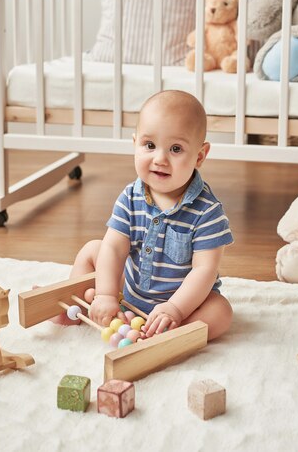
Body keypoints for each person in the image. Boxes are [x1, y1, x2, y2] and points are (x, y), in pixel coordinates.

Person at [66, 90, 233, 340]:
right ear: (135, 144)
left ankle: (168, 333)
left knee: (221, 312)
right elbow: (114, 248)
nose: (160, 159)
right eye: (150, 145)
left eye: (175, 149)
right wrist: (106, 294)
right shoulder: (130, 197)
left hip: (182, 303)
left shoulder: (208, 211)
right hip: (129, 291)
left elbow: (204, 271)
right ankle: (72, 308)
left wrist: (175, 308)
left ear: (199, 156)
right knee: (94, 249)